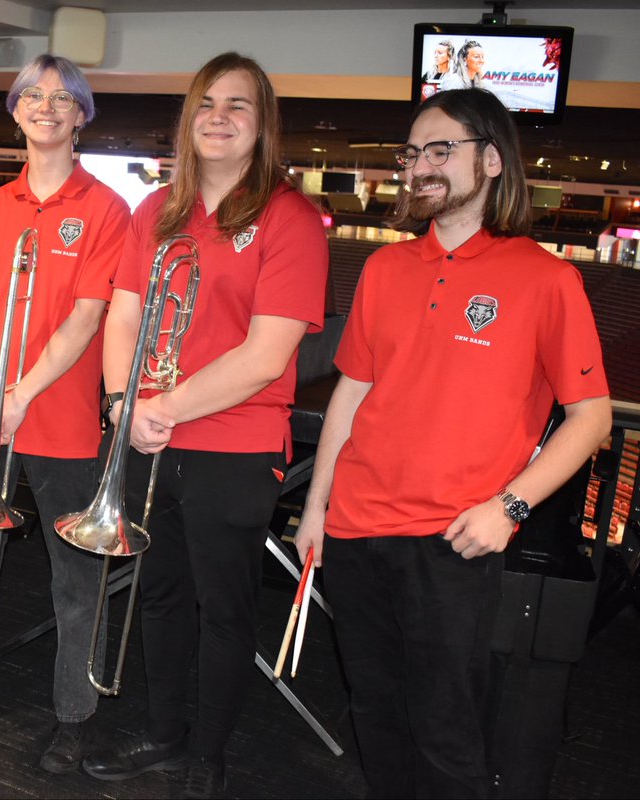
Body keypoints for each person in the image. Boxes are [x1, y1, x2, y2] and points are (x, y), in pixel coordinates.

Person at [293, 88, 612, 799]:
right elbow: (352, 394)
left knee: (446, 734)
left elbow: (589, 418)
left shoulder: (546, 279)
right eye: (412, 153)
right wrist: (316, 508)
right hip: (353, 528)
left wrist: (510, 508)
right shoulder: (384, 268)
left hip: (450, 539)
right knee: (373, 713)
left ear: (491, 160)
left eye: (442, 149)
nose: (420, 166)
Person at [82, 52, 328, 799]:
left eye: (238, 105)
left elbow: (266, 354)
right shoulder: (155, 209)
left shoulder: (289, 217)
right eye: (205, 102)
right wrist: (123, 403)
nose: (217, 116)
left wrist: (160, 408)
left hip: (234, 445)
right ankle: (162, 735)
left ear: (262, 127)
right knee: (157, 594)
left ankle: (208, 753)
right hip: (148, 435)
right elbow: (123, 314)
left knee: (222, 608)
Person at [0, 54, 131, 775]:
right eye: (31, 96)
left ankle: (74, 714)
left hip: (58, 415)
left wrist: (19, 394)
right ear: (15, 111)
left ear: (81, 115)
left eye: (62, 97)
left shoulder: (106, 209)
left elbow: (86, 317)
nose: (45, 106)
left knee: (75, 580)